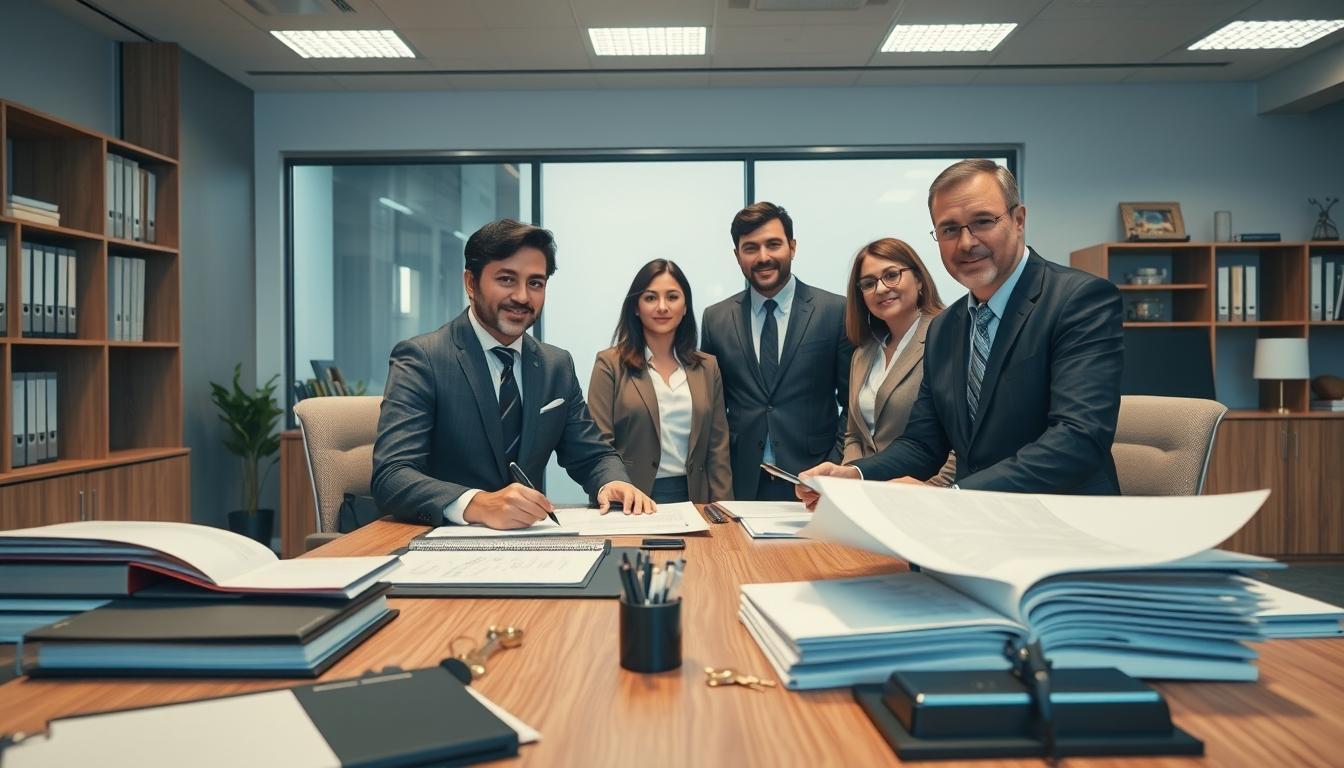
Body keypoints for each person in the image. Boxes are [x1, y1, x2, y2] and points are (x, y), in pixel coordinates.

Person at [799, 159, 1123, 503]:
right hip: (973, 528)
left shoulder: (1079, 301)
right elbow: (924, 444)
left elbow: (1077, 439)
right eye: (949, 229)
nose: (966, 243)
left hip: (1063, 525)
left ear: (1018, 220)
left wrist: (954, 497)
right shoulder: (945, 328)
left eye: (983, 221)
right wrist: (854, 475)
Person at [372, 218, 655, 529]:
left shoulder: (555, 365)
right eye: (506, 279)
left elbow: (593, 455)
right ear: (471, 283)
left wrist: (611, 482)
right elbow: (392, 475)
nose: (522, 296)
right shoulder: (423, 358)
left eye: (535, 283)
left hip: (530, 547)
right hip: (442, 545)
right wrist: (477, 504)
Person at [701, 202, 852, 501]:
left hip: (813, 479)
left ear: (792, 247)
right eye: (750, 248)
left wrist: (834, 465)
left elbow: (852, 404)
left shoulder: (835, 311)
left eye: (773, 244)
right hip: (740, 481)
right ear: (737, 255)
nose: (763, 257)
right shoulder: (715, 318)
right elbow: (712, 409)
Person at [587, 259, 733, 504]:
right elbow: (598, 444)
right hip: (629, 499)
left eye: (673, 297)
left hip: (695, 498)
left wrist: (725, 511)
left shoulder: (707, 367)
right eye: (651, 298)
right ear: (636, 306)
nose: (662, 307)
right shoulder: (609, 364)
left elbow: (718, 450)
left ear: (685, 306)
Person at [840, 238, 956, 486]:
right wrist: (850, 480)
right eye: (868, 283)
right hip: (865, 495)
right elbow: (853, 435)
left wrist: (936, 489)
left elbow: (960, 439)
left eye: (891, 275)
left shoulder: (948, 337)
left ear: (920, 280)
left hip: (920, 495)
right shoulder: (863, 353)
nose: (881, 289)